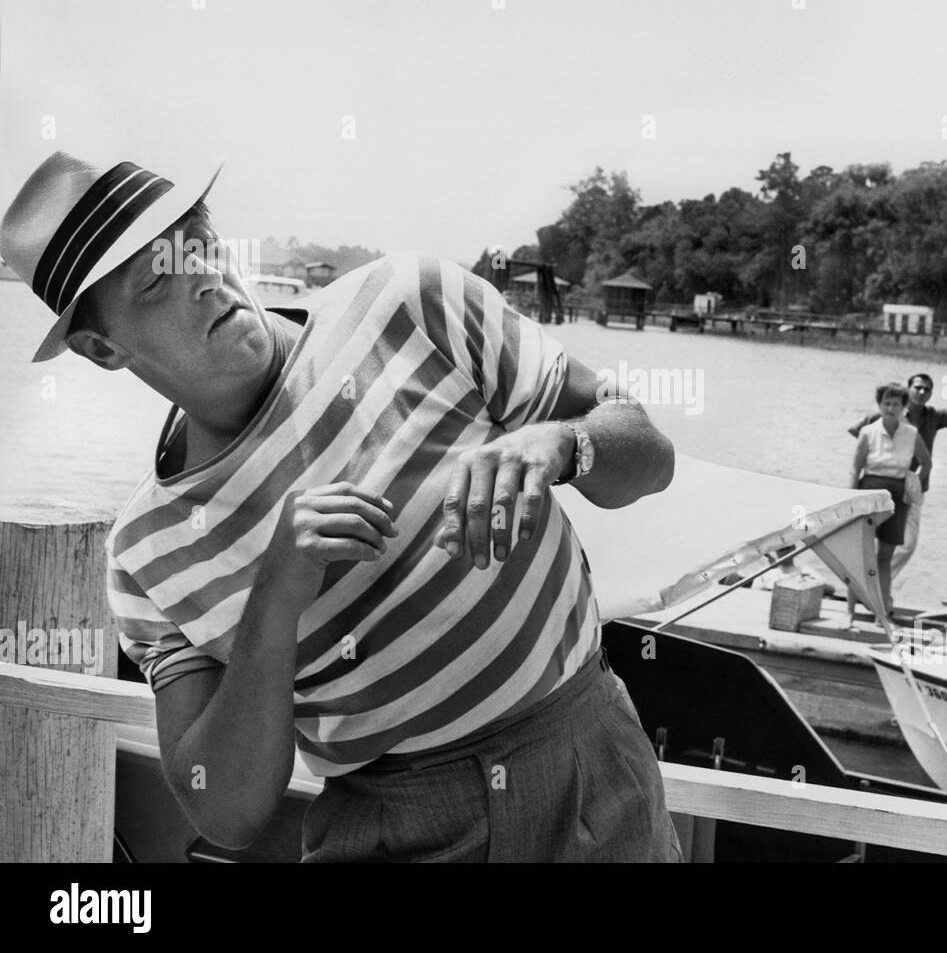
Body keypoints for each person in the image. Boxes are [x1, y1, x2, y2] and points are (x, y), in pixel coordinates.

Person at [0, 151, 683, 863]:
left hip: (595, 776)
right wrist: (275, 597)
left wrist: (561, 443)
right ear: (101, 347)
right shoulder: (147, 552)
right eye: (155, 282)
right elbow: (226, 812)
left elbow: (649, 457)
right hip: (394, 831)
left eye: (197, 243)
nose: (201, 276)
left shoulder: (411, 304)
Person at [848, 373, 947, 576]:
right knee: (866, 542)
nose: (922, 392)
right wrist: (880, 452)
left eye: (927, 389)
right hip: (878, 484)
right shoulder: (884, 414)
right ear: (908, 389)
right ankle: (873, 586)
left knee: (906, 544)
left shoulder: (933, 415)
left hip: (912, 489)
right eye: (917, 387)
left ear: (931, 394)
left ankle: (878, 581)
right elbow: (855, 430)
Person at [849, 382, 932, 612]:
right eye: (886, 403)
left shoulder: (912, 433)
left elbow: (926, 463)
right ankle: (850, 612)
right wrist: (850, 499)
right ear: (879, 404)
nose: (890, 408)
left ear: (904, 406)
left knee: (884, 558)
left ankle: (881, 613)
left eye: (896, 404)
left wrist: (912, 486)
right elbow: (855, 469)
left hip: (897, 496)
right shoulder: (868, 432)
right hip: (869, 491)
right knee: (860, 555)